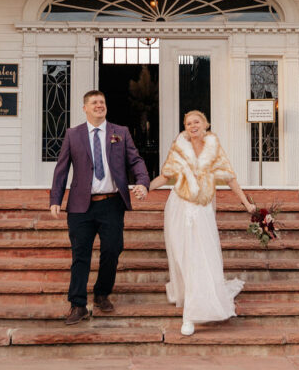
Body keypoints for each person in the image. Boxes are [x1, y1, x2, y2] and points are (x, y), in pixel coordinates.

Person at [149, 110, 254, 336]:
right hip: (178, 207)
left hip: (202, 209)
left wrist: (246, 202)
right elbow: (165, 176)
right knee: (183, 256)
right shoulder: (180, 148)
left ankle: (192, 314)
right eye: (188, 123)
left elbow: (230, 178)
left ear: (205, 124)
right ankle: (190, 298)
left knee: (201, 255)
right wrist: (145, 187)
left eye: (196, 121)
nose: (192, 126)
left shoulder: (214, 149)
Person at [50, 89, 150, 325]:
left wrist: (143, 183)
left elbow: (135, 160)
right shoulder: (73, 135)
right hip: (79, 206)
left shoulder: (120, 133)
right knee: (80, 255)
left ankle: (102, 293)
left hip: (111, 204)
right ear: (84, 108)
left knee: (112, 250)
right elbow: (61, 169)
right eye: (94, 102)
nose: (99, 105)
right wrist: (56, 199)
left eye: (102, 102)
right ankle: (77, 304)